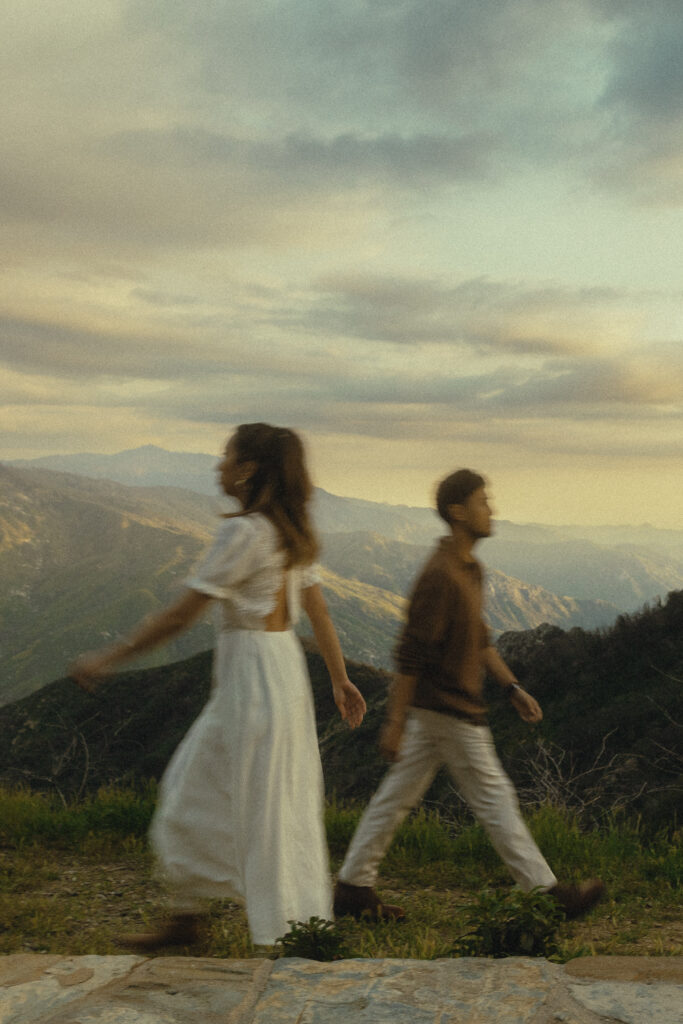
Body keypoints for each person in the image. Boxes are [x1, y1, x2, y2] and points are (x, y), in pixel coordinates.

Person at [71, 423, 366, 948]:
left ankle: (242, 928)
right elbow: (317, 610)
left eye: (225, 457)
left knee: (196, 793)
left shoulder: (246, 532)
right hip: (283, 673)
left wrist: (108, 658)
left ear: (249, 469)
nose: (218, 467)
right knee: (270, 803)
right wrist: (338, 678)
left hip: (252, 676)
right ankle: (228, 922)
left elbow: (180, 617)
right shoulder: (289, 532)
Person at [333, 469, 604, 922]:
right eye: (482, 500)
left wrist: (511, 687)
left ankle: (353, 886)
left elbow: (480, 640)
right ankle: (548, 894)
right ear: (458, 511)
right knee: (495, 799)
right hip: (448, 709)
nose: (491, 508)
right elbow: (410, 656)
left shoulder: (469, 569)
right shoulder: (439, 577)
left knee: (394, 799)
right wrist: (394, 722)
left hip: (442, 712)